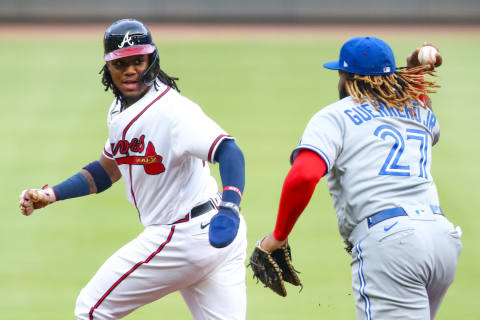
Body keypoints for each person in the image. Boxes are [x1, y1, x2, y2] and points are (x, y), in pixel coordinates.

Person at [19, 18, 247, 320]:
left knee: (91, 309)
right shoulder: (119, 111)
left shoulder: (174, 112)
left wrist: (231, 206)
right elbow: (107, 171)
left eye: (138, 61)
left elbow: (230, 152)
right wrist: (51, 194)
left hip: (184, 236)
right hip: (209, 240)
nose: (130, 70)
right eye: (121, 63)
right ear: (107, 68)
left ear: (151, 60)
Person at [256, 37, 462, 319]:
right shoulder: (419, 111)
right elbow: (416, 105)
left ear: (347, 78)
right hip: (442, 240)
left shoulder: (335, 115)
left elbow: (304, 176)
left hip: (392, 245)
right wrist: (415, 74)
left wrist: (278, 236)